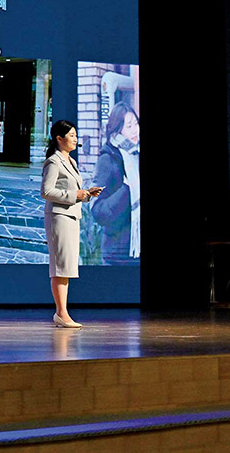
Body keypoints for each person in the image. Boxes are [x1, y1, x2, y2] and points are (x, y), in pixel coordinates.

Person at [41, 120, 102, 328]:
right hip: (59, 217)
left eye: (76, 135)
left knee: (66, 266)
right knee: (61, 266)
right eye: (72, 135)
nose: (75, 139)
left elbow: (72, 191)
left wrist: (86, 194)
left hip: (72, 217)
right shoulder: (53, 161)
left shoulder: (71, 161)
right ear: (59, 138)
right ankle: (61, 313)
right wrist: (74, 194)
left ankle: (62, 312)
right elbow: (46, 191)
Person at [90, 103, 141, 264]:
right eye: (129, 126)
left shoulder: (137, 154)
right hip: (119, 254)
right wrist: (127, 188)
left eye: (136, 124)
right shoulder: (108, 160)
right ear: (117, 130)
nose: (135, 130)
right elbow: (98, 211)